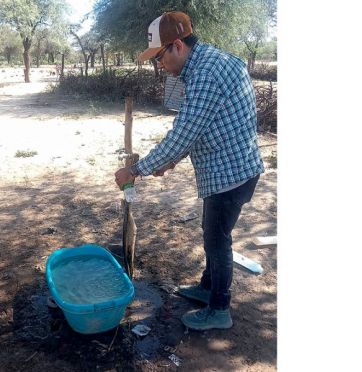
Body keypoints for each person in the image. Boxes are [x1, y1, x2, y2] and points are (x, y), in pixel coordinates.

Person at [114, 11, 264, 331]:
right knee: (213, 233)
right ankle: (208, 288)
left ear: (177, 46)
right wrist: (172, 159)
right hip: (232, 167)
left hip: (231, 173)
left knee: (217, 240)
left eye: (159, 57)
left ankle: (219, 310)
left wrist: (135, 171)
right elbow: (205, 126)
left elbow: (184, 132)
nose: (159, 65)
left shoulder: (205, 73)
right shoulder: (209, 63)